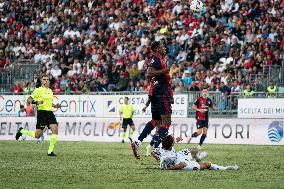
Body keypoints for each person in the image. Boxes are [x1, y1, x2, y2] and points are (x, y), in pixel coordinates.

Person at [130, 41, 172, 159]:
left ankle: (137, 143)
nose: (164, 48)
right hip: (160, 94)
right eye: (162, 46)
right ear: (157, 49)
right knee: (166, 122)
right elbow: (149, 73)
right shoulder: (155, 59)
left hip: (156, 94)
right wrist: (164, 71)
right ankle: (157, 149)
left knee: (155, 121)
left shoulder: (159, 59)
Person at [15, 74, 61, 156]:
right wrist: (37, 102)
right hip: (42, 113)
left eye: (47, 79)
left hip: (50, 113)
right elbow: (29, 100)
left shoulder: (50, 91)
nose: (46, 80)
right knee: (37, 135)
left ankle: (50, 151)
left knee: (55, 129)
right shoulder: (38, 90)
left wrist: (55, 106)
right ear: (42, 81)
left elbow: (49, 103)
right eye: (44, 79)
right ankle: (22, 131)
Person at [160, 135, 239, 171]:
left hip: (179, 156)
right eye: (173, 140)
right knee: (207, 165)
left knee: (193, 150)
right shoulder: (168, 156)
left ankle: (198, 158)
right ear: (171, 144)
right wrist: (171, 168)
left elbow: (157, 154)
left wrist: (177, 139)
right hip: (182, 164)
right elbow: (181, 165)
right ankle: (226, 168)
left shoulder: (166, 147)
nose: (174, 139)